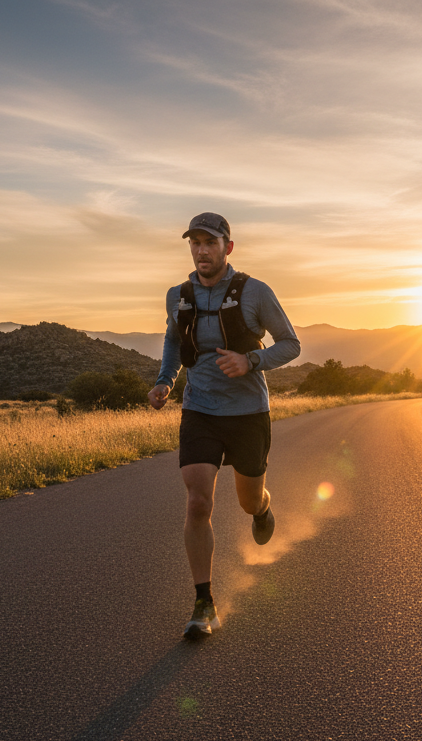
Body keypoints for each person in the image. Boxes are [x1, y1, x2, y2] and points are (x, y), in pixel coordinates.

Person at [148, 212, 301, 640]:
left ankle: (263, 508)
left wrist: (250, 359)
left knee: (248, 499)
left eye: (209, 242)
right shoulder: (177, 296)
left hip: (249, 412)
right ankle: (203, 603)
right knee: (198, 503)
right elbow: (174, 341)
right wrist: (165, 381)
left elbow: (291, 344)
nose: (201, 250)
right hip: (199, 409)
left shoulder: (255, 292)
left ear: (227, 247)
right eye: (194, 243)